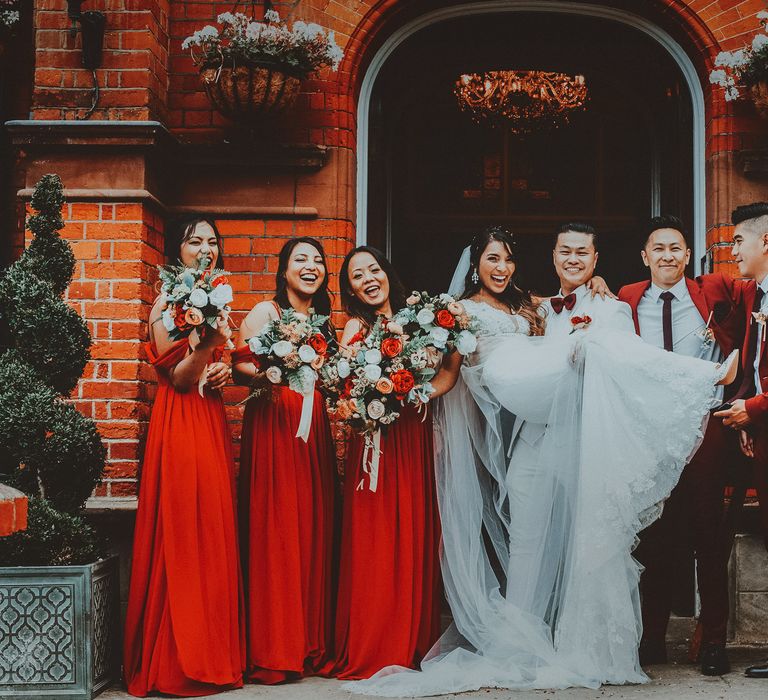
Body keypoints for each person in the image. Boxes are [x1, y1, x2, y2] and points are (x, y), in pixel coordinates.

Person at [345, 225, 738, 696]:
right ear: (551, 256)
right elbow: (446, 368)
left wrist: (590, 307)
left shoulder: (574, 306)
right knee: (529, 540)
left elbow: (618, 356)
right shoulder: (495, 310)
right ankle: (517, 644)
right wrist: (406, 391)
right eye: (564, 251)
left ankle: (703, 376)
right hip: (518, 396)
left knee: (582, 537)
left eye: (582, 253)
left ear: (596, 260)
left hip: (571, 425)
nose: (502, 267)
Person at [618, 216, 746, 676]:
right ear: (644, 256)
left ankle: (713, 641)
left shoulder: (713, 292)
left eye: (676, 247)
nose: (668, 255)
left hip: (704, 426)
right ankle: (651, 637)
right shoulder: (626, 300)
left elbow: (753, 293)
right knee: (655, 537)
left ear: (688, 255)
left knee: (708, 536)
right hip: (650, 431)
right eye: (659, 248)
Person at [123, 217, 244, 697]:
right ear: (178, 250)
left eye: (213, 241)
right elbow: (176, 377)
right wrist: (207, 348)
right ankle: (175, 658)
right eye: (196, 241)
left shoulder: (217, 301)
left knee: (210, 524)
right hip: (179, 420)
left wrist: (219, 371)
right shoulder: (164, 304)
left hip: (209, 417)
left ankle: (212, 651)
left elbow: (213, 368)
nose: (206, 248)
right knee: (183, 523)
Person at [323, 246, 442, 680]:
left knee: (411, 531)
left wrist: (425, 390)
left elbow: (447, 371)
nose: (369, 278)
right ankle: (376, 643)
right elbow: (343, 394)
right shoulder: (354, 327)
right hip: (375, 443)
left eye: (374, 269)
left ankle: (411, 641)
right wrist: (370, 399)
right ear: (350, 288)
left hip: (413, 437)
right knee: (375, 539)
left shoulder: (419, 322)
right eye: (358, 275)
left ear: (387, 273)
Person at [232, 237, 338, 684]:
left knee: (310, 530)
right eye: (301, 260)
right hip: (276, 425)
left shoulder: (324, 322)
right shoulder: (265, 312)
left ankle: (307, 642)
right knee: (276, 531)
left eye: (318, 260)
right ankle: (276, 647)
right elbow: (240, 368)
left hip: (313, 435)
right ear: (284, 270)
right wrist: (278, 368)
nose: (311, 266)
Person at [713, 202, 768, 680]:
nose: (732, 250)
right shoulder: (754, 295)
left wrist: (750, 409)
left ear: (764, 242)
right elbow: (752, 364)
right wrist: (751, 420)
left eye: (738, 241)